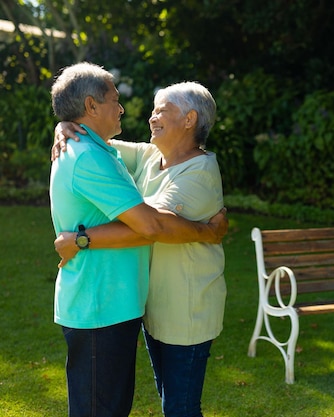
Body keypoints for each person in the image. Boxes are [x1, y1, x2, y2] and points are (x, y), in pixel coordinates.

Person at [50, 63, 228, 417]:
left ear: (190, 119)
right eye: (115, 102)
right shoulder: (144, 157)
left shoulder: (196, 170)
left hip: (183, 308)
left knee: (178, 406)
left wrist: (81, 239)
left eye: (162, 110)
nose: (146, 116)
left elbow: (155, 226)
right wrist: (64, 123)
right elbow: (149, 223)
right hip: (128, 305)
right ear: (91, 105)